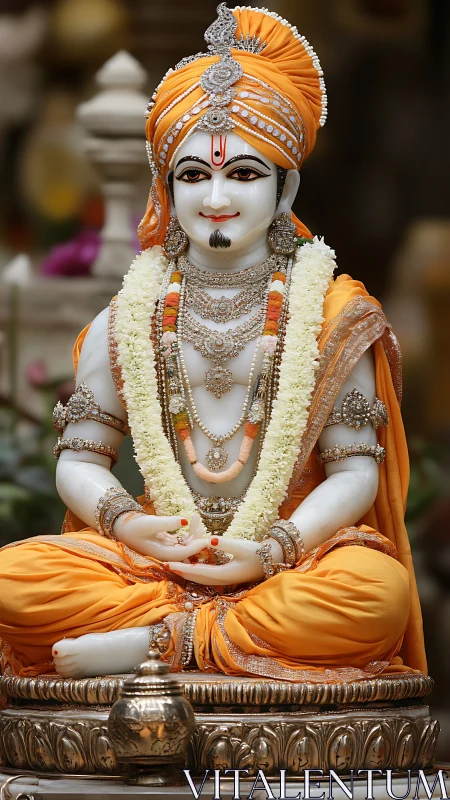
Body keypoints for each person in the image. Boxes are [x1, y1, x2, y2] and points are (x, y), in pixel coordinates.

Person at [0, 4, 426, 682]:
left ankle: (162, 644)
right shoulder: (129, 314)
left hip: (290, 559)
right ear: (167, 190)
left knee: (376, 593)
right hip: (156, 557)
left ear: (285, 188)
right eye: (194, 175)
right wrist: (125, 524)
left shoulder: (332, 312)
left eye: (245, 174)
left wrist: (273, 548)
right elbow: (80, 460)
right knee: (11, 579)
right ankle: (198, 632)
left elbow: (355, 475)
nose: (217, 197)